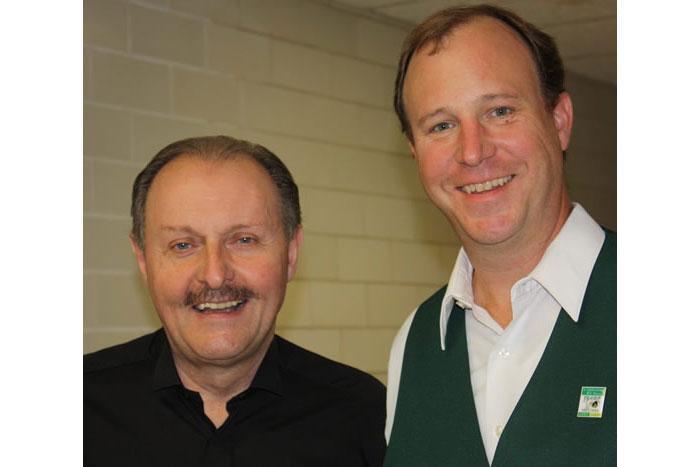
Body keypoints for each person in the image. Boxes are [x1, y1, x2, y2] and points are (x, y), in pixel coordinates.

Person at [383, 5, 615, 466]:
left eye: (500, 111)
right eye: (441, 126)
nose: (472, 151)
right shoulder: (414, 344)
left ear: (560, 121)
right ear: (414, 151)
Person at [84, 136, 386, 466]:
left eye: (244, 240)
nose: (215, 275)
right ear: (143, 261)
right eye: (183, 245)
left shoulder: (366, 415)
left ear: (291, 253)